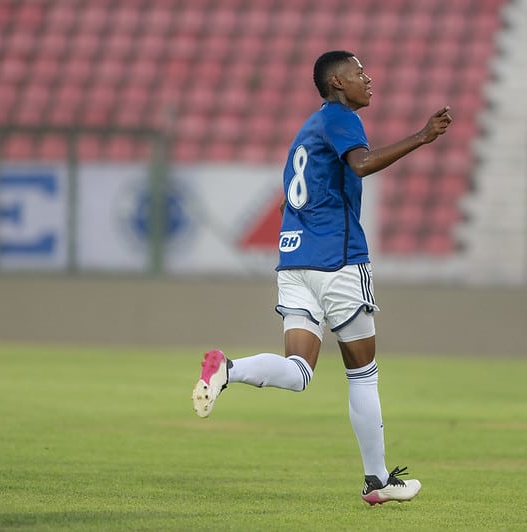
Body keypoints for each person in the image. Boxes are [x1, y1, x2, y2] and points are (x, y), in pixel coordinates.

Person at [192, 50, 452, 504]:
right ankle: (377, 482)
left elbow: (287, 201)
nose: (368, 79)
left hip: (294, 263)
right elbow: (362, 164)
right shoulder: (340, 118)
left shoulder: (306, 132)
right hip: (339, 262)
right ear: (336, 82)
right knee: (363, 375)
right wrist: (422, 137)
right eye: (359, 73)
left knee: (299, 372)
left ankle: (227, 369)